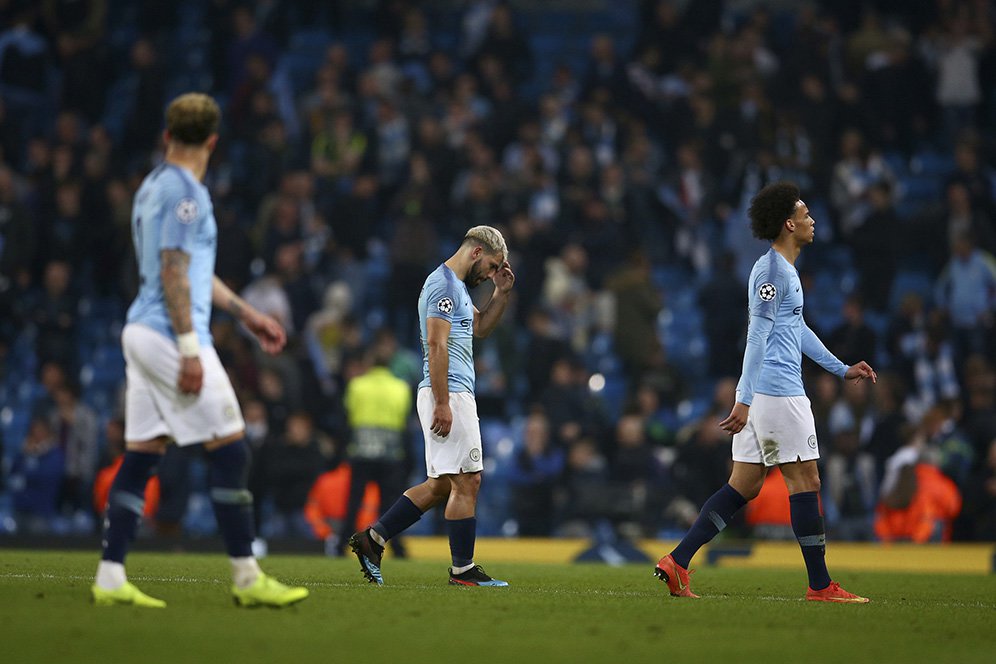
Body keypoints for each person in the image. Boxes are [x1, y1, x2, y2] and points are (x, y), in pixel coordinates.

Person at [91, 93, 308, 609]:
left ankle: (109, 576)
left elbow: (188, 269)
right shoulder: (189, 193)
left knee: (142, 456)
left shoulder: (151, 187)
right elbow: (172, 271)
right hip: (170, 335)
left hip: (140, 332)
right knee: (232, 449)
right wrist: (190, 348)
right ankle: (248, 578)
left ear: (168, 136)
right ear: (213, 141)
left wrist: (246, 313)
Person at [654, 181, 878, 603]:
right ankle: (819, 585)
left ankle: (677, 562)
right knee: (806, 480)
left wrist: (841, 368)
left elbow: (798, 330)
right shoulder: (772, 271)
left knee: (744, 485)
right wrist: (744, 397)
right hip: (776, 394)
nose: (813, 220)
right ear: (789, 224)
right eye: (806, 213)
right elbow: (756, 335)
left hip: (765, 396)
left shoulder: (784, 271)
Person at [348, 225, 515, 586]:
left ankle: (373, 538)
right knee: (469, 480)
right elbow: (436, 345)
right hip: (448, 392)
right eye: (491, 266)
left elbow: (481, 327)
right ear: (475, 252)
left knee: (441, 486)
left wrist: (500, 294)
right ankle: (463, 570)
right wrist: (443, 403)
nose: (489, 274)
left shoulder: (454, 288)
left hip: (451, 391)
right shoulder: (443, 286)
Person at [340, 338, 412, 557]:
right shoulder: (401, 388)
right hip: (390, 454)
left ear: (369, 362)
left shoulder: (356, 385)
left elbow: (350, 415)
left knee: (354, 501)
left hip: (362, 450)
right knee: (391, 505)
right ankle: (398, 548)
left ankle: (339, 545)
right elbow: (402, 419)